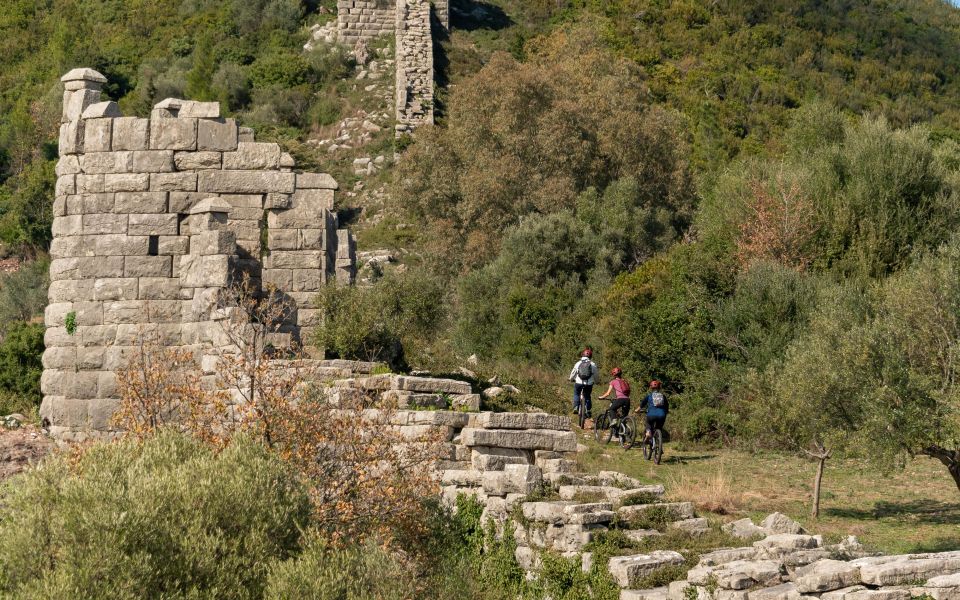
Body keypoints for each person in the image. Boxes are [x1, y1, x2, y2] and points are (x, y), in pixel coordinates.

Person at [568, 348, 597, 420]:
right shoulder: (593, 364)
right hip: (589, 384)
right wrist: (597, 381)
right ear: (590, 356)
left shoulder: (578, 363)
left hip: (578, 382)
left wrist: (571, 379)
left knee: (576, 394)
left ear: (582, 355)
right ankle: (588, 410)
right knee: (587, 396)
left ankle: (576, 407)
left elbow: (573, 373)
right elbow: (596, 375)